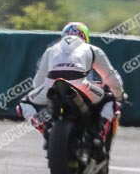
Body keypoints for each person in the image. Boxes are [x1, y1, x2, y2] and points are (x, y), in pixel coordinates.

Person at [17, 22, 124, 160]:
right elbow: (110, 77)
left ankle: (46, 130)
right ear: (85, 37)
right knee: (110, 100)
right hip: (81, 84)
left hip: (52, 84)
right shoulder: (91, 48)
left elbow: (37, 82)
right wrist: (119, 94)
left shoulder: (51, 49)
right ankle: (98, 135)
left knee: (23, 104)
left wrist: (41, 93)